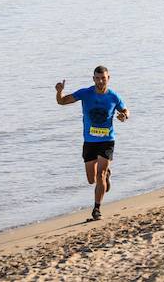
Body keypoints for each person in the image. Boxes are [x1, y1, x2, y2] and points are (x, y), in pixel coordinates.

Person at [55, 66, 129, 221]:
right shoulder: (85, 93)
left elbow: (125, 111)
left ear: (108, 78)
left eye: (103, 78)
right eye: (97, 78)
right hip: (89, 141)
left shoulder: (114, 96)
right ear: (93, 79)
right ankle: (106, 175)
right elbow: (62, 102)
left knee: (100, 174)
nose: (100, 81)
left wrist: (123, 116)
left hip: (107, 140)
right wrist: (59, 91)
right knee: (91, 179)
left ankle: (97, 209)